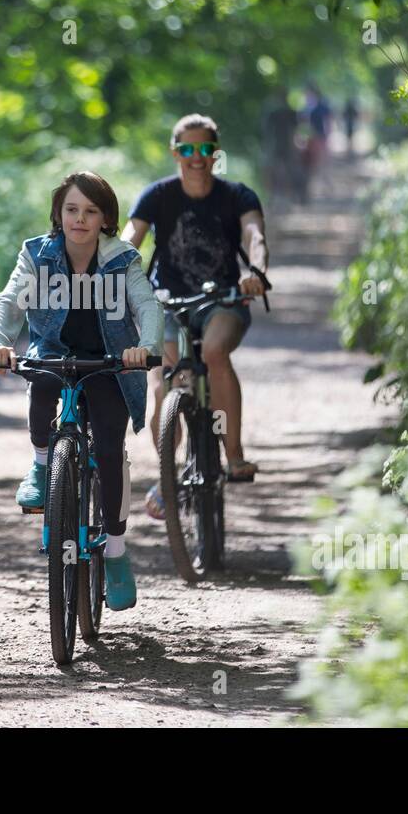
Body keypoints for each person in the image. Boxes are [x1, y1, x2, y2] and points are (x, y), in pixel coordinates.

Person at [0, 171, 163, 610]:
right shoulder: (37, 254)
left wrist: (146, 347)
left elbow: (147, 305)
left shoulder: (123, 259)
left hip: (110, 360)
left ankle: (116, 552)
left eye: (91, 211)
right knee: (42, 383)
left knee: (107, 445)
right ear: (58, 214)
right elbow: (10, 300)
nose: (79, 219)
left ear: (105, 219)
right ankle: (44, 465)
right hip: (55, 353)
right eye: (71, 210)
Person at [122, 114, 270, 519]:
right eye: (187, 149)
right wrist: (116, 273)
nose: (196, 157)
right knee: (162, 386)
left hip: (222, 299)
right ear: (176, 153)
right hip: (166, 301)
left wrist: (254, 273)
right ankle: (168, 478)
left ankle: (234, 455)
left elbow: (254, 236)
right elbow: (129, 239)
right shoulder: (157, 195)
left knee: (216, 352)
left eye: (205, 149)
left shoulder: (237, 195)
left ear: (215, 153)